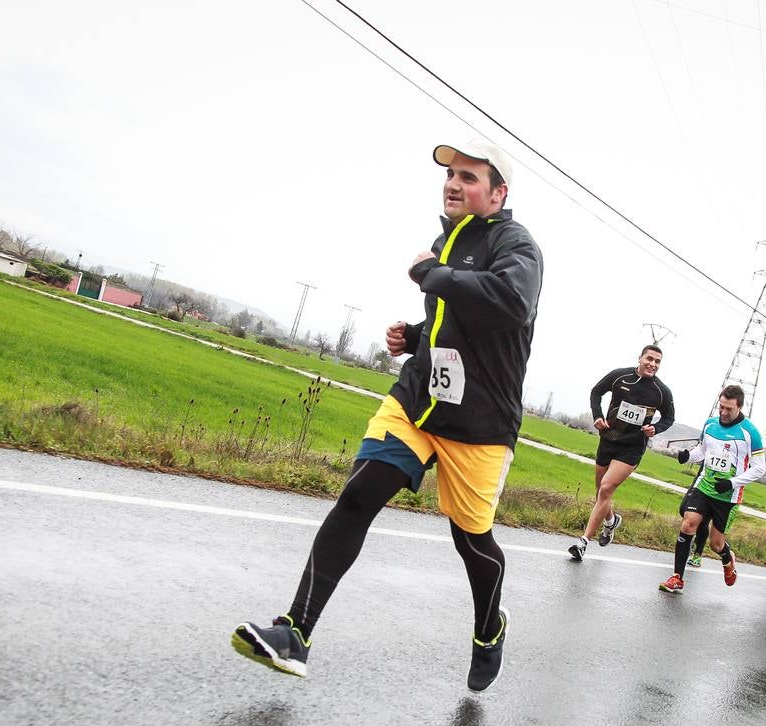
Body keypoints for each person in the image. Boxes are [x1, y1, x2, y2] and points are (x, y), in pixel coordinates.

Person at [231, 138, 543, 692]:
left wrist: (432, 275)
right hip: (417, 401)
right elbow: (464, 323)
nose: (453, 184)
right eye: (451, 175)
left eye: (470, 178)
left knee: (471, 542)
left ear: (498, 194)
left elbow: (509, 304)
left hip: (480, 425)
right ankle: (295, 633)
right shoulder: (444, 242)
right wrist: (417, 337)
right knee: (358, 495)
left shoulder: (517, 245)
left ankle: (489, 627)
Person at [569, 346, 675, 560]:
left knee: (606, 488)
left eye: (657, 362)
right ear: (640, 358)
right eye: (649, 359)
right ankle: (610, 521)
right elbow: (596, 392)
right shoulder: (620, 376)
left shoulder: (661, 391)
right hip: (609, 439)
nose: (653, 364)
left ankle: (583, 542)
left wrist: (656, 428)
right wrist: (598, 416)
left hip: (633, 447)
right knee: (601, 491)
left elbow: (669, 418)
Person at [658, 385, 765, 593]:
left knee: (716, 544)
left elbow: (760, 468)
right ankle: (677, 577)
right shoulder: (710, 425)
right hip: (705, 487)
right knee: (688, 524)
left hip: (728, 495)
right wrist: (688, 456)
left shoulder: (750, 433)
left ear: (740, 407)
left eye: (729, 409)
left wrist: (732, 482)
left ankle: (727, 557)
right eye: (721, 408)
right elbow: (702, 451)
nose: (723, 413)